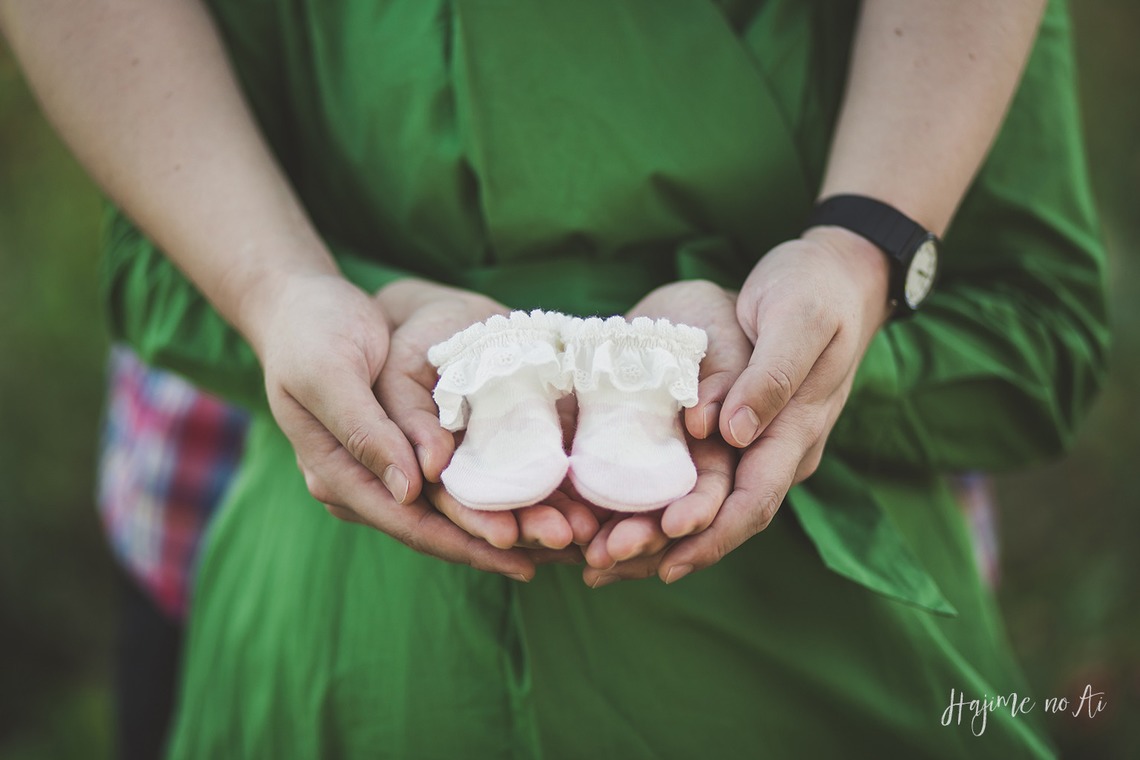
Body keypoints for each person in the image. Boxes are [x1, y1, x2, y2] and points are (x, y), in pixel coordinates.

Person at [1, 0, 1108, 756]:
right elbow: (159, 265)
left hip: (813, 684)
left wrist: (850, 271)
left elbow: (1033, 331)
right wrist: (272, 287)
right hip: (325, 668)